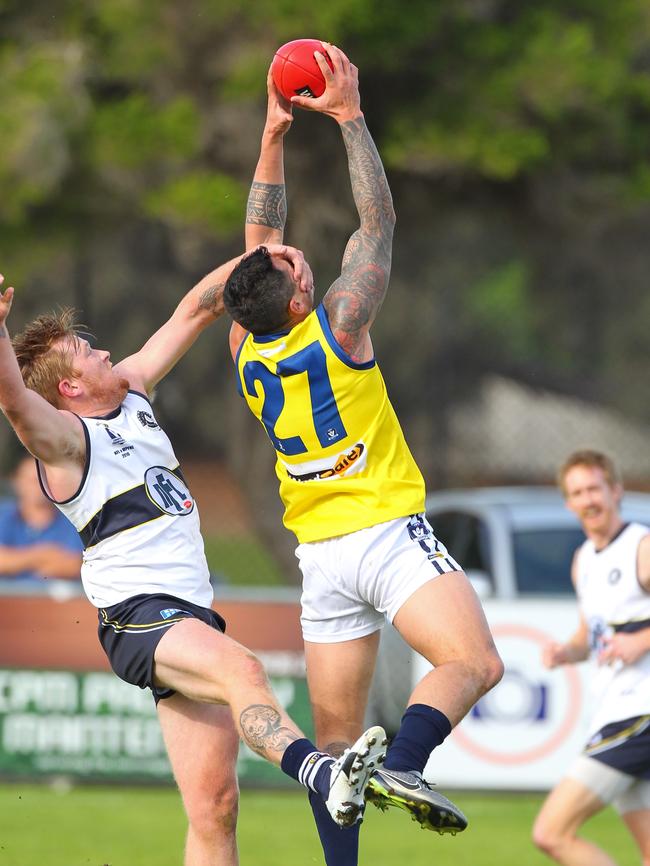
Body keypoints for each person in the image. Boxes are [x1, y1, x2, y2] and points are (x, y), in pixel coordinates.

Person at [0, 250, 387, 866]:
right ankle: (320, 775)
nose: (103, 352)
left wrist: (262, 258)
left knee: (215, 808)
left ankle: (315, 778)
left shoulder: (132, 393)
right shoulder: (69, 444)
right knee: (245, 673)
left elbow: (199, 308)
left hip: (189, 616)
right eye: (87, 351)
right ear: (70, 387)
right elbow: (17, 402)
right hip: (141, 616)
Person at [223, 43, 504, 866]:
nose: (288, 250)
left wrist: (273, 136)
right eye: (291, 260)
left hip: (321, 554)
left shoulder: (245, 341)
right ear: (303, 295)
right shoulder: (341, 322)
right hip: (383, 530)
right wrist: (349, 117)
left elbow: (260, 239)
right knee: (474, 662)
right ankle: (410, 764)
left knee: (337, 752)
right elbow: (376, 223)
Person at [533, 449, 650, 866]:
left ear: (616, 491)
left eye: (594, 488)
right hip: (616, 707)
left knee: (552, 832)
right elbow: (591, 633)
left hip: (638, 713)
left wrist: (642, 641)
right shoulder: (583, 560)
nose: (588, 500)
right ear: (568, 502)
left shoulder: (640, 546)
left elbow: (635, 638)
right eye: (577, 492)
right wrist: (567, 651)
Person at [0, 454, 82, 583]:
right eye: (30, 480)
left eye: (41, 479)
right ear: (16, 482)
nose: (36, 486)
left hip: (56, 601)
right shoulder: (4, 516)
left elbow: (77, 565)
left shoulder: (73, 520)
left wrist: (16, 562)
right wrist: (42, 555)